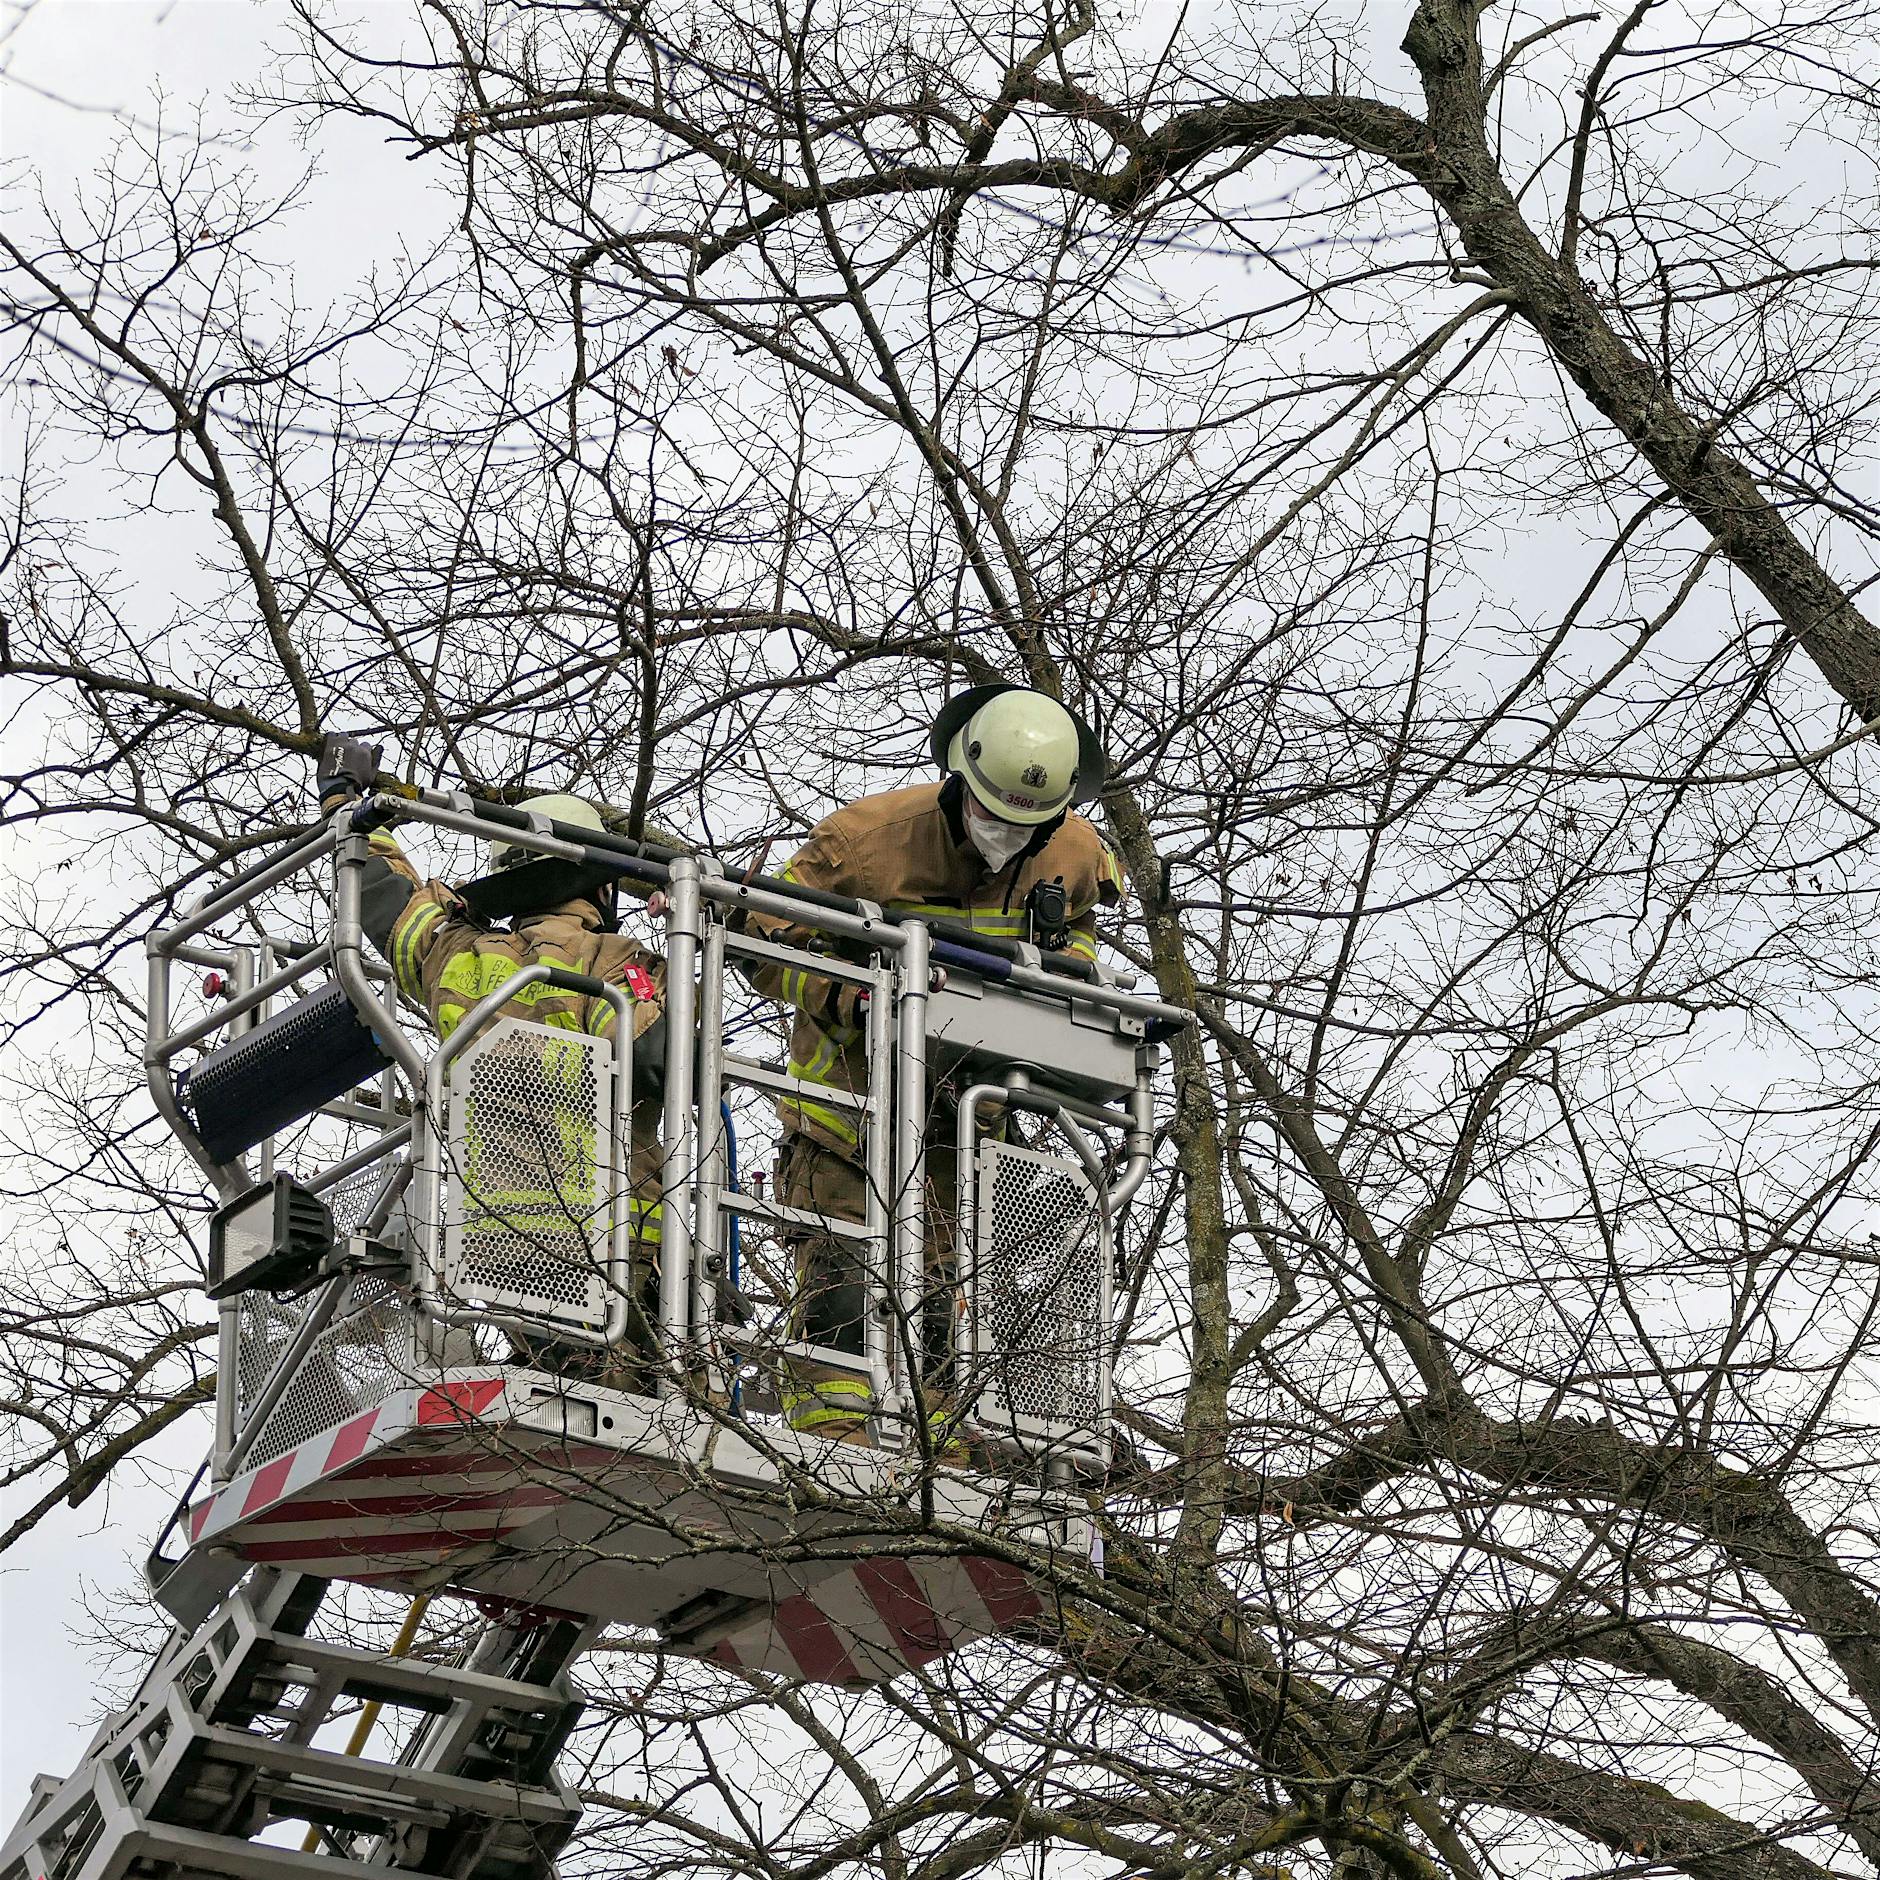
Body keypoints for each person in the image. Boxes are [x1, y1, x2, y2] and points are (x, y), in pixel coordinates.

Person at [746, 684, 1125, 1447]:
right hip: (846, 1118)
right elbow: (760, 932)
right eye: (989, 816)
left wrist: (1063, 978)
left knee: (942, 1329)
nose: (1002, 837)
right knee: (843, 1301)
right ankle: (833, 1451)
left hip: (963, 1130)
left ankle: (935, 1464)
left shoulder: (1076, 852)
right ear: (959, 782)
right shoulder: (866, 839)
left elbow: (1080, 938)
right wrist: (844, 994)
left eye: (1024, 827)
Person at [317, 745, 669, 1379]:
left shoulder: (459, 953)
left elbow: (379, 897)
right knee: (646, 1392)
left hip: (498, 1240)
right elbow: (649, 1064)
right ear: (601, 883)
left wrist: (348, 803)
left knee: (548, 1377)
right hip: (610, 1234)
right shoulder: (618, 960)